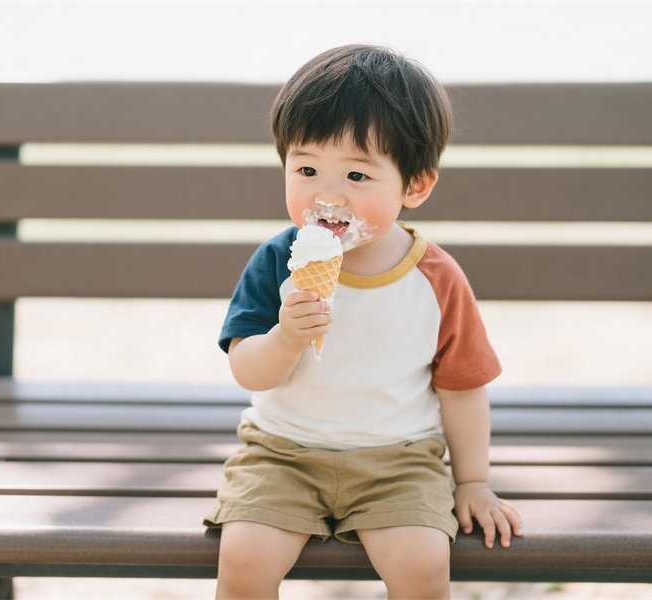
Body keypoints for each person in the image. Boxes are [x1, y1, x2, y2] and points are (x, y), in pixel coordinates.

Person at [204, 44, 523, 599]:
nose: (327, 194)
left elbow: (464, 388)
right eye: (306, 169)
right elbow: (248, 372)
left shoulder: (436, 278)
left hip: (398, 460)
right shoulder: (280, 261)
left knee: (423, 566)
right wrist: (285, 337)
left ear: (415, 186)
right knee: (245, 560)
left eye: (356, 173)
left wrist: (472, 482)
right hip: (282, 452)